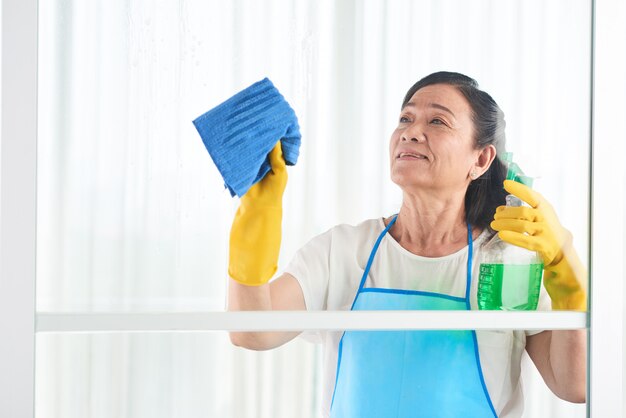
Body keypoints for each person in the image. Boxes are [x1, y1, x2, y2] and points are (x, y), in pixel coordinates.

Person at [227, 71, 587, 418]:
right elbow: (252, 330)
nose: (411, 132)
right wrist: (257, 218)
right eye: (405, 118)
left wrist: (564, 265)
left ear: (480, 160)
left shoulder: (507, 263)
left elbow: (574, 385)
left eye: (437, 122)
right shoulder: (342, 252)